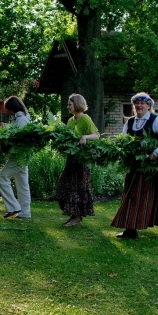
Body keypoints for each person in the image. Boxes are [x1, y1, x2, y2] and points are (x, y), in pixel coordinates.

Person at [111, 92, 158, 239]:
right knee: (134, 194)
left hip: (152, 167)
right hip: (135, 165)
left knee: (155, 195)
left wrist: (157, 153)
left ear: (149, 106)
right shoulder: (130, 122)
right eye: (137, 103)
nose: (139, 106)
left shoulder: (156, 120)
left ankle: (137, 228)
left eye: (143, 103)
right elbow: (124, 140)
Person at [55, 93, 99, 227]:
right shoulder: (71, 120)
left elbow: (96, 135)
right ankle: (73, 216)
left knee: (77, 188)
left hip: (81, 161)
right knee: (65, 185)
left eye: (70, 104)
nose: (68, 106)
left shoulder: (85, 118)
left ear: (77, 104)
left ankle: (76, 218)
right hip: (72, 159)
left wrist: (85, 137)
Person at [0, 96, 33, 219]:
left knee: (2, 178)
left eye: (9, 109)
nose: (8, 112)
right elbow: (16, 132)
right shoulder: (21, 118)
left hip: (18, 156)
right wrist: (6, 127)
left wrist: (5, 131)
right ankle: (25, 212)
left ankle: (13, 207)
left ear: (13, 108)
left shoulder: (21, 120)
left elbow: (17, 137)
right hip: (22, 156)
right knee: (22, 184)